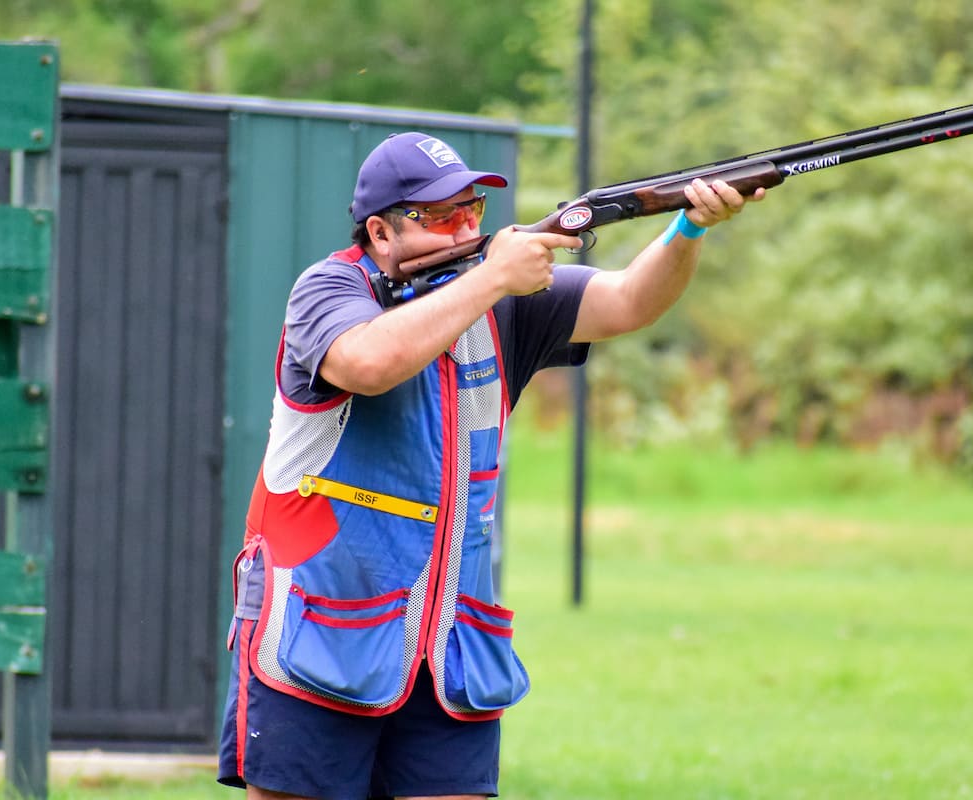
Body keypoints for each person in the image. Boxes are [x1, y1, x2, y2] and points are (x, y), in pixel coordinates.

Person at [217, 131, 765, 800]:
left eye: (473, 210)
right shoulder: (328, 288)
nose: (467, 227)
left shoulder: (502, 297)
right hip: (318, 635)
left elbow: (628, 303)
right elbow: (367, 363)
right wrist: (491, 278)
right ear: (380, 234)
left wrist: (688, 227)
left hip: (449, 653)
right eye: (441, 217)